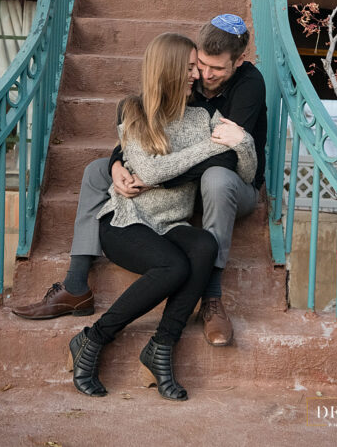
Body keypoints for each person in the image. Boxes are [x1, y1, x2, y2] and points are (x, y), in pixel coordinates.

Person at [14, 14, 266, 347]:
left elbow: (226, 157)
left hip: (229, 181)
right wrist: (119, 162)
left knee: (216, 179)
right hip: (179, 169)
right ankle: (76, 285)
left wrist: (152, 179)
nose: (204, 76)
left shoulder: (248, 85)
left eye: (215, 70)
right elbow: (149, 127)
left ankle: (212, 297)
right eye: (199, 65)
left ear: (238, 62)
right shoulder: (183, 83)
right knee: (94, 171)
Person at [65, 33, 255, 400]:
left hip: (172, 224)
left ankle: (161, 347)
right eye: (187, 69)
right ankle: (93, 339)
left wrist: (242, 142)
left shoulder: (204, 116)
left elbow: (241, 173)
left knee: (203, 244)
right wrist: (209, 147)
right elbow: (150, 172)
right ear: (167, 72)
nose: (196, 76)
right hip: (126, 221)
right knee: (174, 268)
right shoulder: (134, 110)